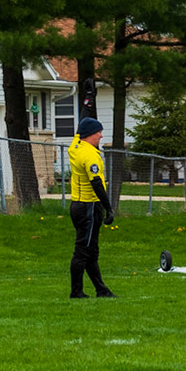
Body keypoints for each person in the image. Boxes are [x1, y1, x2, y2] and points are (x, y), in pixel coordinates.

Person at [68, 117, 116, 298]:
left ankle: (101, 290)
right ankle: (76, 291)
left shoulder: (75, 146)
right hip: (87, 206)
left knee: (91, 250)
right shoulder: (89, 155)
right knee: (82, 250)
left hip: (78, 205)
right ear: (90, 135)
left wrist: (87, 99)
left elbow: (80, 127)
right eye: (99, 133)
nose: (101, 136)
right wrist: (108, 207)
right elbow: (96, 182)